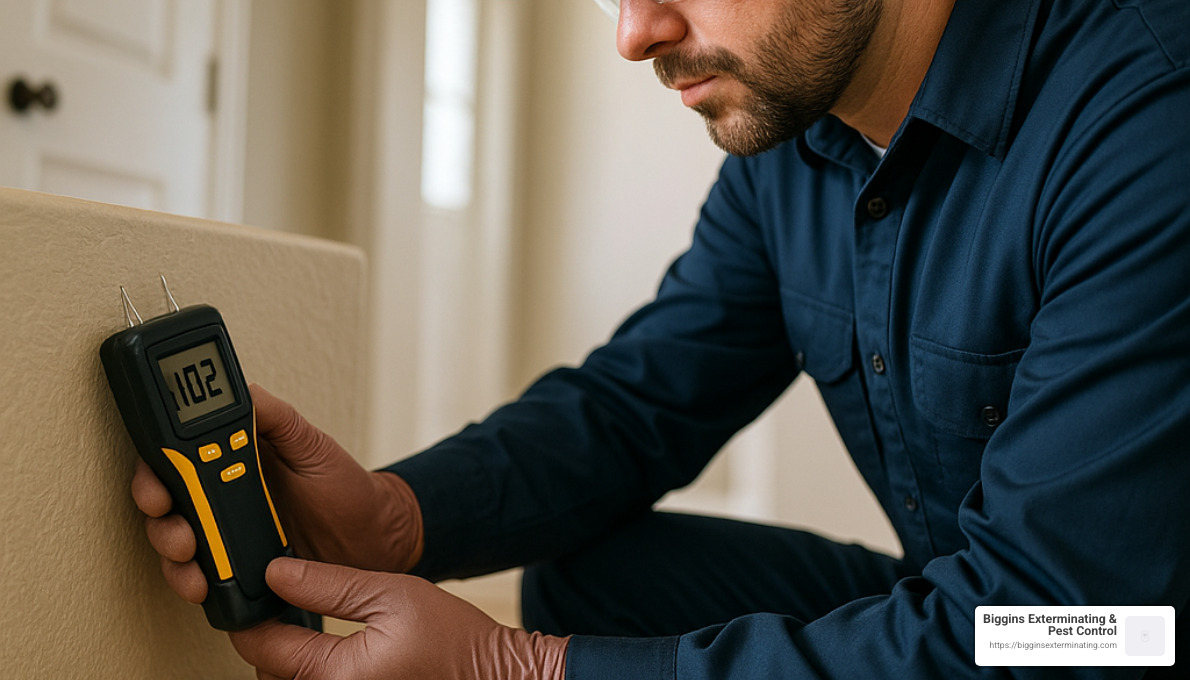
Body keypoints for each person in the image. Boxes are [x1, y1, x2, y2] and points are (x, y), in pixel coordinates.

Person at [133, 0, 1190, 677]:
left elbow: (1066, 629)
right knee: (592, 580)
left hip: (1114, 636)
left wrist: (520, 669)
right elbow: (637, 404)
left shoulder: (1146, 115)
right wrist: (396, 519)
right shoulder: (797, 139)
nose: (634, 33)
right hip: (985, 600)